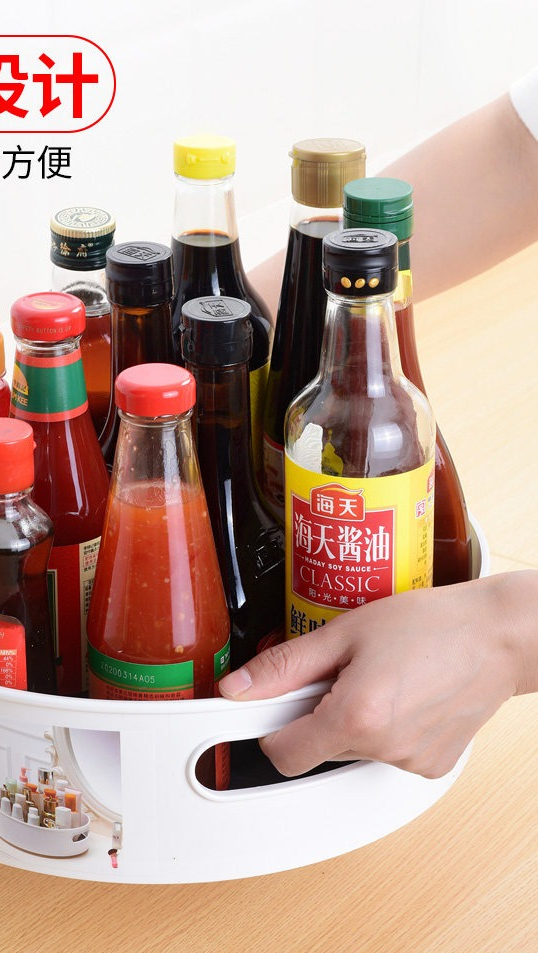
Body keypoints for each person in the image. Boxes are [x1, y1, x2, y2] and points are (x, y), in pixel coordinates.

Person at [220, 71, 538, 779]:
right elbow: (522, 149)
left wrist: (510, 635)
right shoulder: (311, 406)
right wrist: (220, 328)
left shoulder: (400, 409)